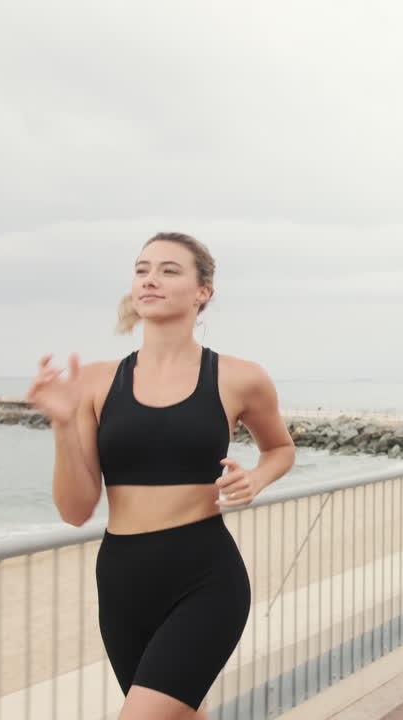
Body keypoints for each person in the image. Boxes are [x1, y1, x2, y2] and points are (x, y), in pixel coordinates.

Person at [27, 233, 295, 719]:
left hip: (205, 577)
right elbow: (75, 510)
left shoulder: (240, 377)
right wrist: (64, 425)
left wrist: (255, 479)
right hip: (122, 581)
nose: (150, 278)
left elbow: (279, 449)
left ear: (203, 291)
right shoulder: (94, 381)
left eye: (170, 270)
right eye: (142, 268)